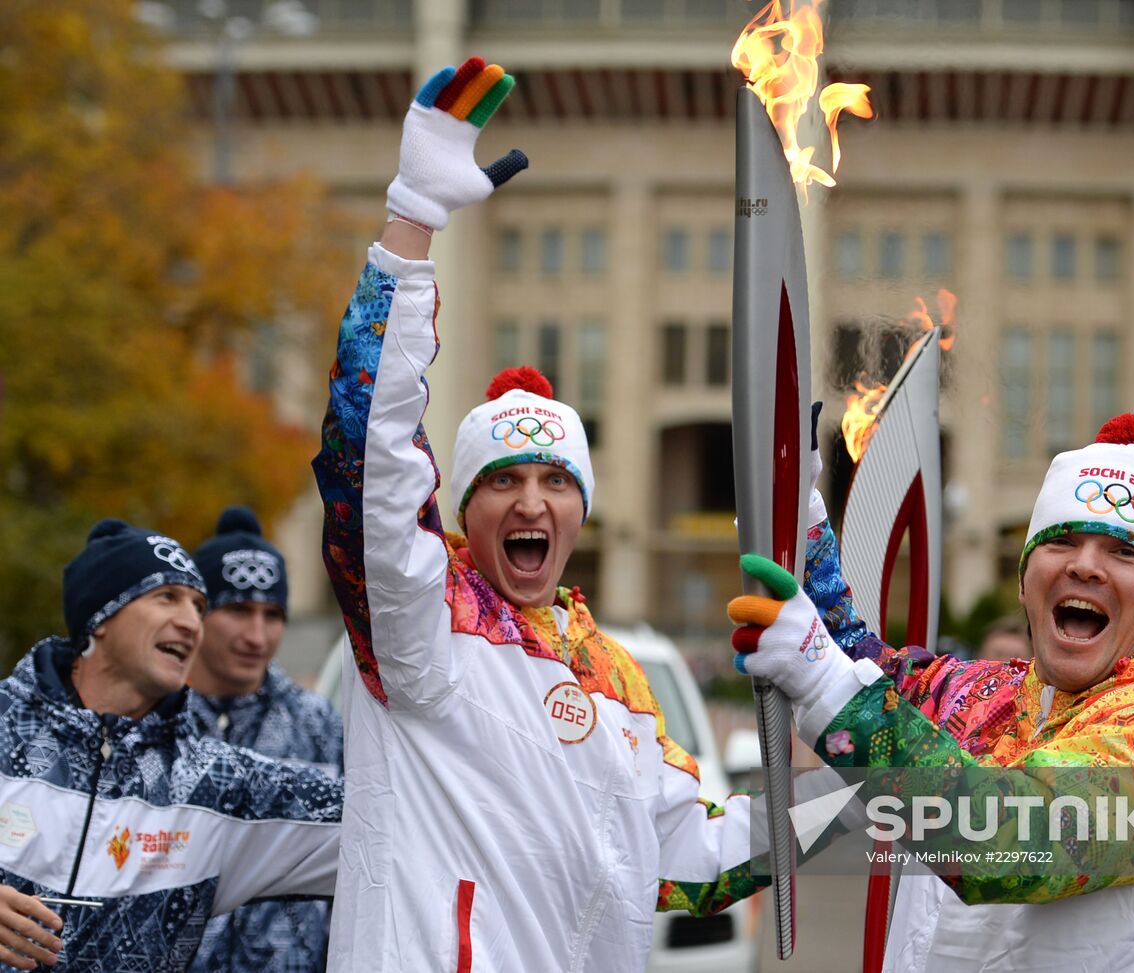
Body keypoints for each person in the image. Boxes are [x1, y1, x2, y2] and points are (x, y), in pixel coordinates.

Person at [312, 56, 761, 972]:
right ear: (464, 512)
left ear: (581, 509)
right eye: (502, 481)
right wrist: (412, 228)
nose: (530, 501)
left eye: (556, 481)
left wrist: (856, 771)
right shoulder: (420, 624)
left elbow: (698, 863)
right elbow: (369, 464)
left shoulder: (617, 678)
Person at [731, 414, 1134, 972]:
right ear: (1026, 582)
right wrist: (798, 525)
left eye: (1124, 554)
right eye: (1063, 542)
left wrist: (819, 679)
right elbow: (864, 666)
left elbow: (1007, 842)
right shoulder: (991, 698)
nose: (1085, 566)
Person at [0, 519, 341, 971]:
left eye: (198, 606)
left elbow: (395, 823)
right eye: (167, 598)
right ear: (101, 617)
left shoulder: (217, 783)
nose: (189, 621)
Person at [188, 506, 344, 973]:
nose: (257, 635)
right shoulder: (155, 719)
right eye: (237, 610)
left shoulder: (317, 723)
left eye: (272, 614)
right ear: (196, 613)